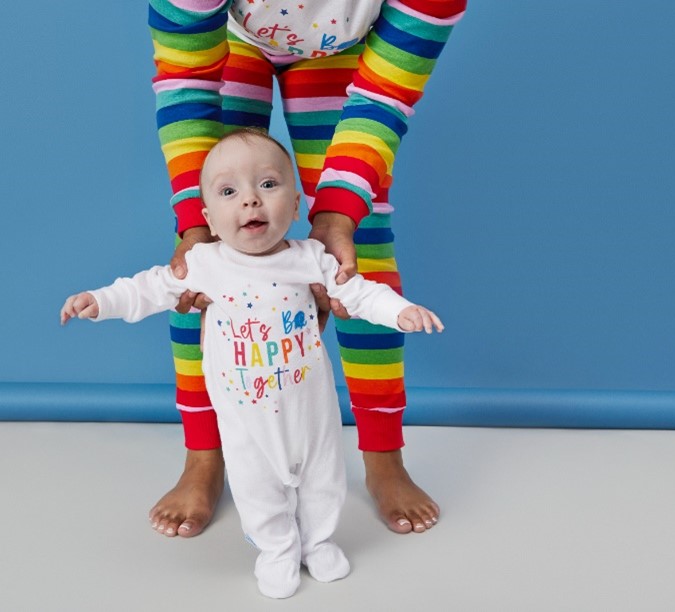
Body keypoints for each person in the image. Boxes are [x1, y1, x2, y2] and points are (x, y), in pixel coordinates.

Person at [60, 129, 444, 598]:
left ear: (297, 205)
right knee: (256, 486)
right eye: (229, 191)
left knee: (324, 478)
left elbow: (359, 292)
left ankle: (318, 542)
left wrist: (400, 311)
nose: (250, 201)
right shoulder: (204, 263)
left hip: (311, 411)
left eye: (268, 184)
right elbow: (147, 288)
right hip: (244, 417)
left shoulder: (312, 259)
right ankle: (277, 549)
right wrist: (100, 301)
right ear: (207, 218)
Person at [148, 0, 467, 538]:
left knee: (356, 254)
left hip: (341, 50)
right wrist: (193, 229)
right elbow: (187, 80)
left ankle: (383, 456)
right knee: (202, 260)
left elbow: (385, 94)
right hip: (232, 40)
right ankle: (204, 454)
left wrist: (339, 214)